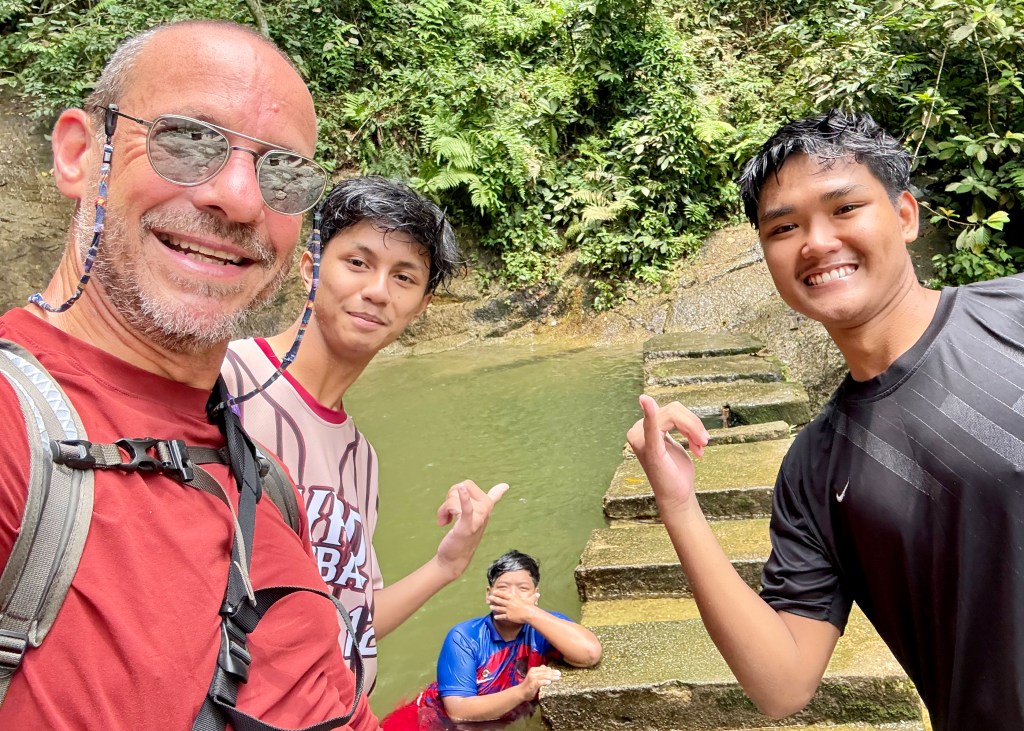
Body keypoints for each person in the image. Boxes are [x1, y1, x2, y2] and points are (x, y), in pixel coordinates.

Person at [0, 20, 378, 730]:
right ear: (82, 154)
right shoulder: (14, 434)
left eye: (282, 172)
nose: (238, 198)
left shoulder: (264, 479)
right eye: (188, 138)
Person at [627, 109, 1024, 731]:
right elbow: (781, 686)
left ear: (904, 216)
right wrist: (676, 503)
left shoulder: (1015, 316)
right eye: (783, 228)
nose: (815, 242)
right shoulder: (814, 469)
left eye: (843, 209)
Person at [221, 176, 508, 693]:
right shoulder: (228, 382)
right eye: (357, 263)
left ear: (419, 307)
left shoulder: (362, 459)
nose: (377, 291)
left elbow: (354, 618)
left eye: (404, 277)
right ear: (310, 268)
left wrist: (448, 564)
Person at [385, 550, 602, 729]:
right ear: (489, 595)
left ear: (536, 596)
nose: (512, 597)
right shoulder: (464, 637)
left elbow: (589, 654)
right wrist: (522, 692)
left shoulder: (546, 625)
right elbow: (458, 712)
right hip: (428, 721)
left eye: (522, 589)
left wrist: (528, 613)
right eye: (503, 588)